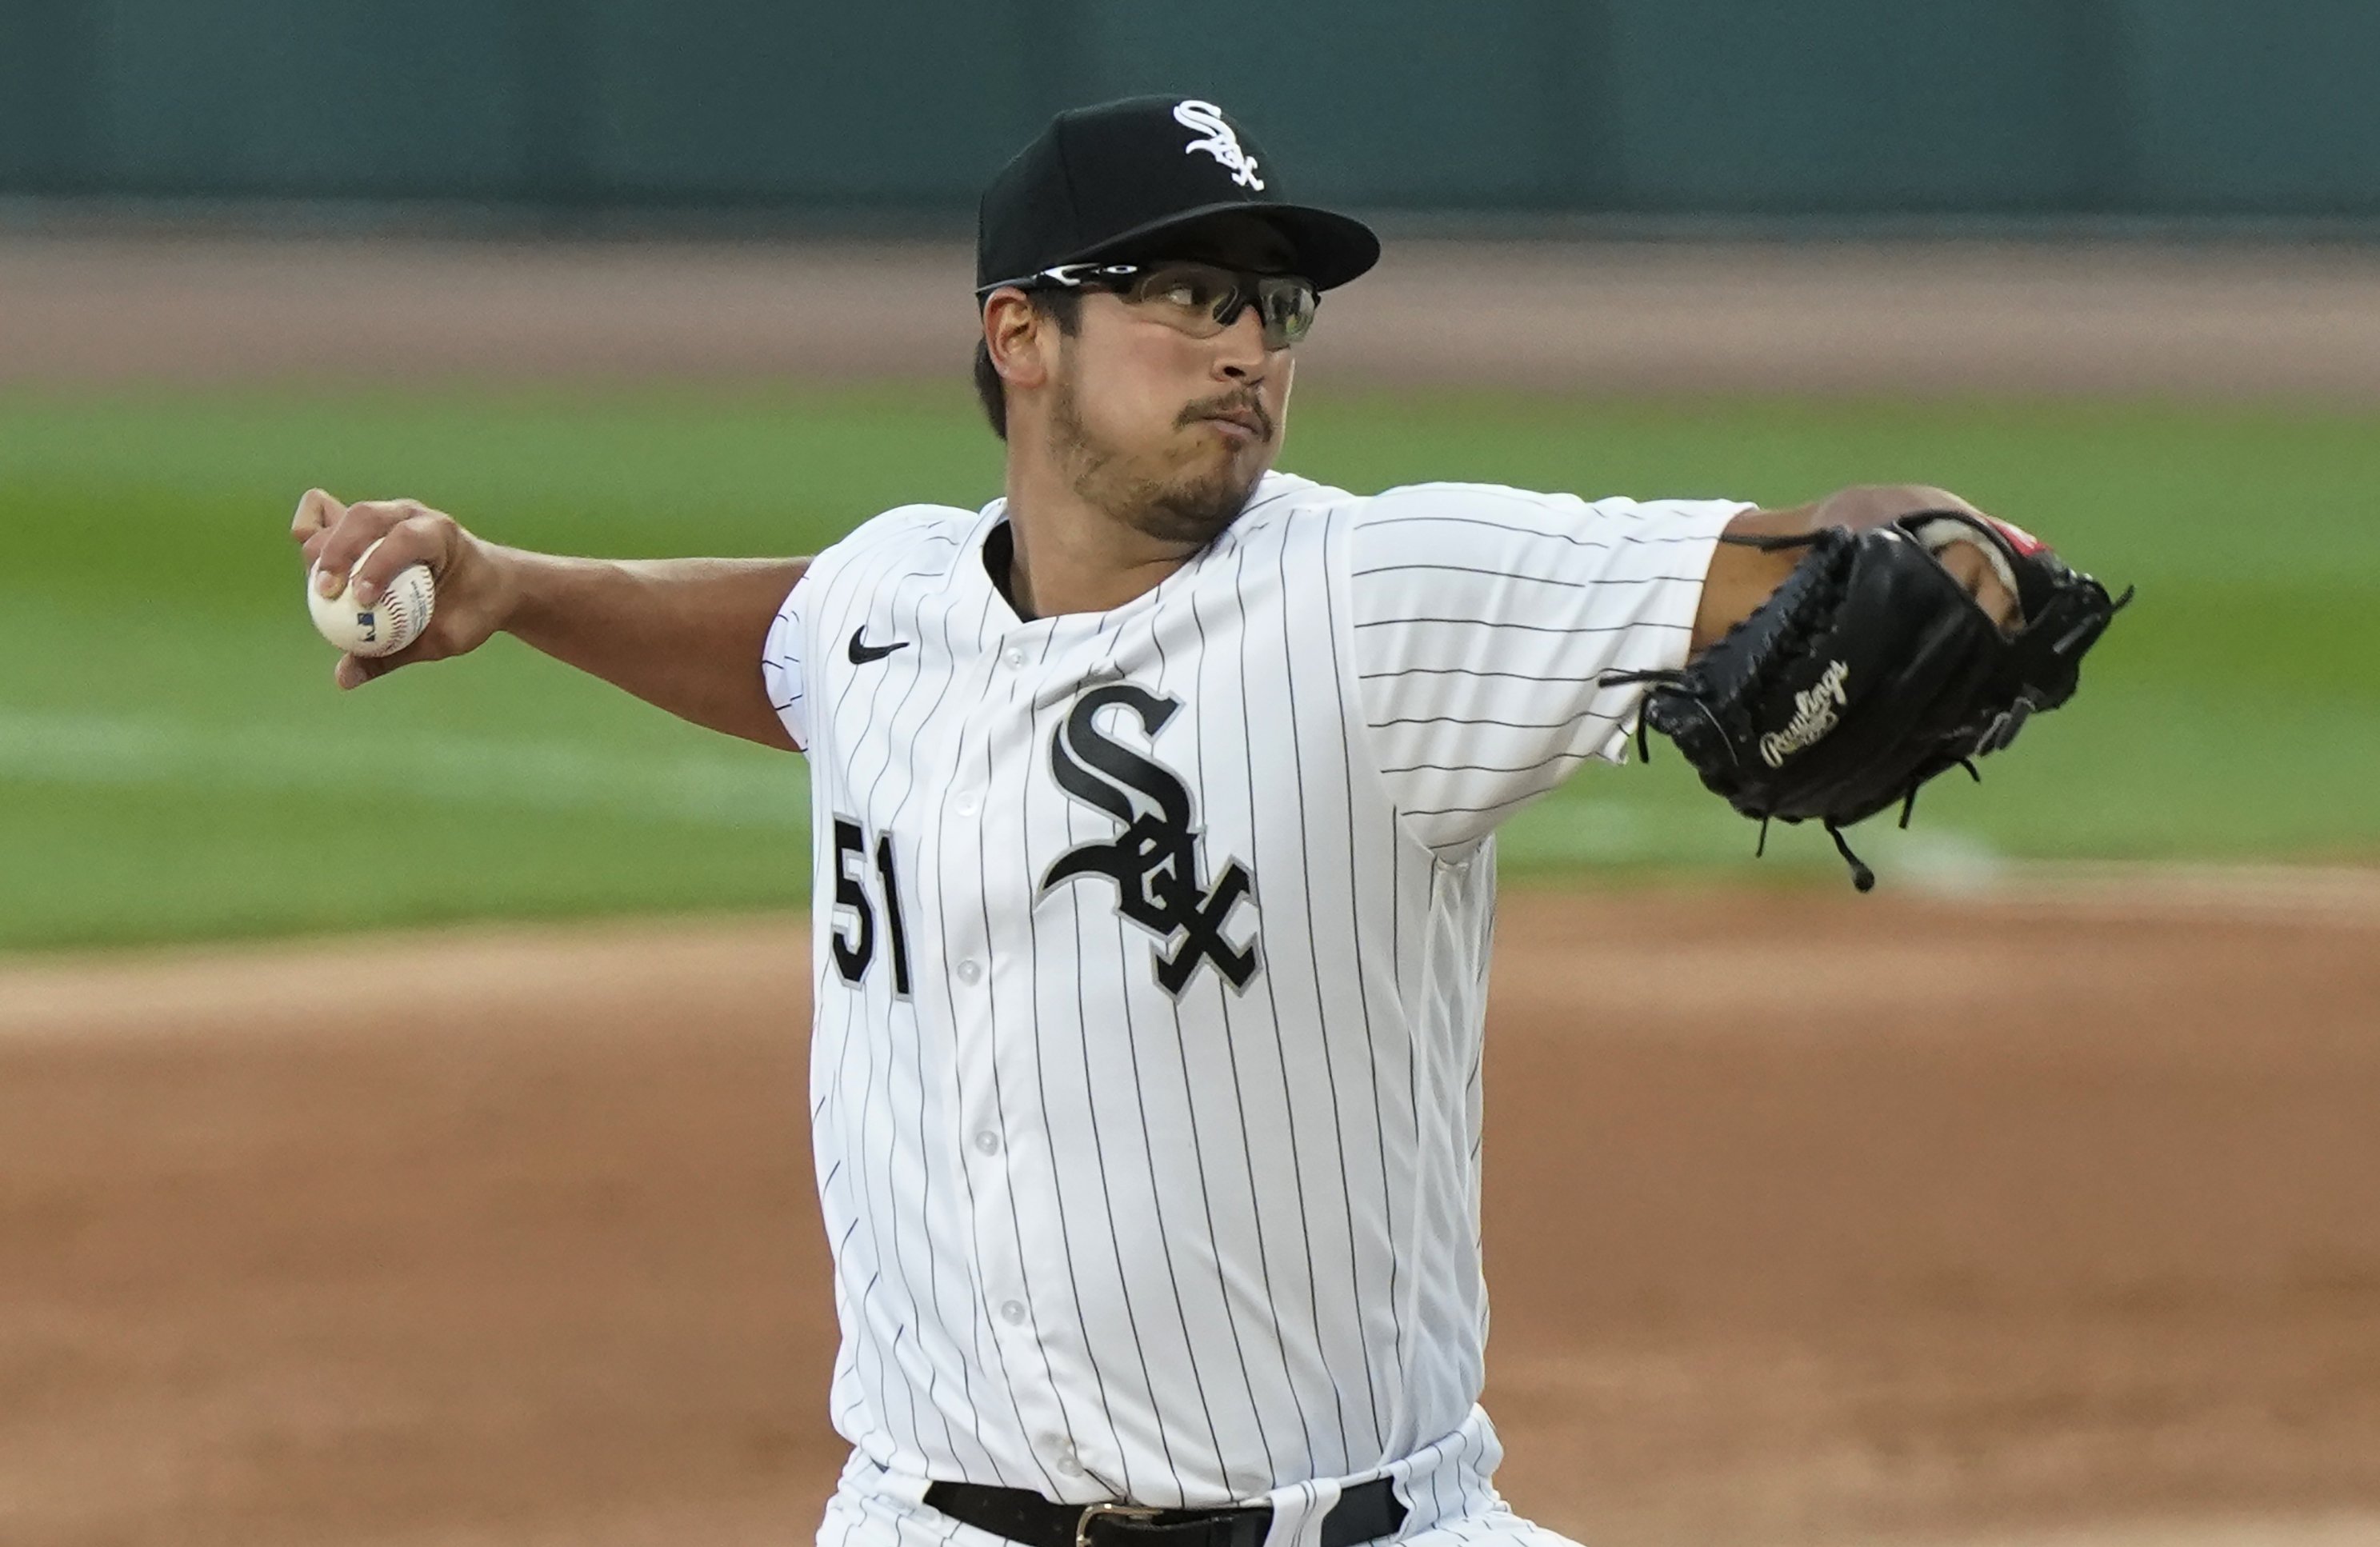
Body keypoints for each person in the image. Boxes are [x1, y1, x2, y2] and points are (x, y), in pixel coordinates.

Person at [292, 97, 2018, 1547]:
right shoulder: (891, 596)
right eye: (1185, 293)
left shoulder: (1375, 592)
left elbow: (1816, 550)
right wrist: (519, 590)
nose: (1248, 348)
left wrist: (1946, 552)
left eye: (1275, 308)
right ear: (1018, 332)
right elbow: (795, 641)